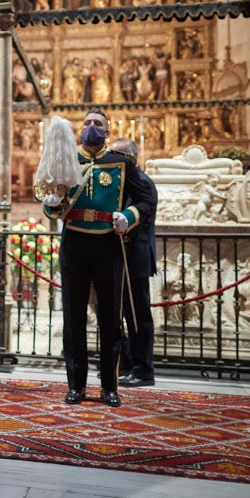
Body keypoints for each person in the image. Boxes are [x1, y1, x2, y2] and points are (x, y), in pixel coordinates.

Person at [43, 110, 156, 408]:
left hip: (108, 244)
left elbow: (148, 198)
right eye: (87, 123)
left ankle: (109, 385)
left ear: (107, 132)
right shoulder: (69, 160)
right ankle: (76, 385)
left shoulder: (120, 162)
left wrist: (129, 216)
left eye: (98, 125)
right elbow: (55, 205)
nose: (91, 128)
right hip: (75, 244)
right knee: (73, 317)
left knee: (110, 318)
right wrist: (51, 206)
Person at [109, 138, 159, 388]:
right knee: (120, 314)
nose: (111, 158)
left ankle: (143, 369)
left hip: (135, 257)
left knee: (138, 316)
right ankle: (126, 364)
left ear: (129, 157)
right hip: (122, 258)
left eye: (115, 155)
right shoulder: (125, 181)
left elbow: (139, 217)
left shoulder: (142, 182)